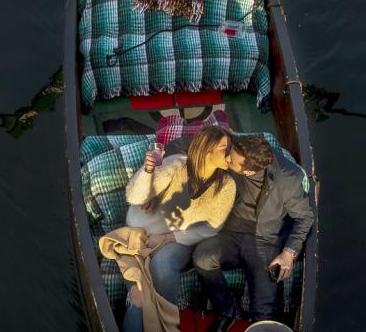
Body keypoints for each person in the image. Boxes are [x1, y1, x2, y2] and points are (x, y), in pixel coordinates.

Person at [191, 135, 315, 332]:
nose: (227, 159)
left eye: (231, 160)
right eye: (229, 154)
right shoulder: (237, 147)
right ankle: (227, 310)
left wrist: (289, 253)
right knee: (203, 257)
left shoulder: (287, 178)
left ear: (247, 172)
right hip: (231, 233)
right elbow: (201, 143)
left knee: (264, 312)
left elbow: (305, 218)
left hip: (265, 239)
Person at [122, 125, 237, 332]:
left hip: (178, 238)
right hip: (137, 236)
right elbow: (135, 197)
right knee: (138, 296)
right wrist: (148, 171)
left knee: (163, 264)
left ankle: (166, 322)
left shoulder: (226, 185)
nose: (230, 154)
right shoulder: (175, 166)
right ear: (206, 148)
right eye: (224, 149)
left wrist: (168, 237)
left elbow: (212, 228)